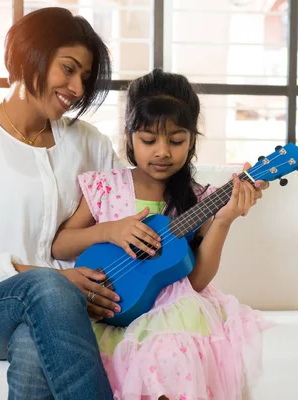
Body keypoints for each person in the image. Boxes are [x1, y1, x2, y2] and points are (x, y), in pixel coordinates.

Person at [0, 7, 124, 399]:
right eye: (68, 69)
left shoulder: (91, 143)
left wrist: (216, 210)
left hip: (68, 313)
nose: (77, 88)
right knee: (47, 287)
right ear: (29, 56)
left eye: (85, 77)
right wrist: (54, 280)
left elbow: (128, 208)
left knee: (33, 343)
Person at [51, 68, 272, 400]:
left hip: (169, 311)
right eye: (149, 140)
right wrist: (110, 231)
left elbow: (195, 280)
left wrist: (224, 219)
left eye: (176, 140)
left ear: (192, 140)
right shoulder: (104, 188)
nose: (162, 152)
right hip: (106, 307)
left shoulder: (199, 200)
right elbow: (61, 245)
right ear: (129, 138)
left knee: (169, 355)